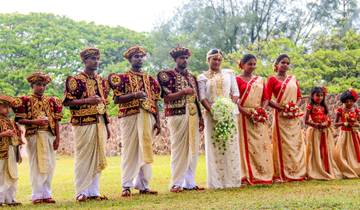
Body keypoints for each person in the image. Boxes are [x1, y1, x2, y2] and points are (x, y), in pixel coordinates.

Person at [108, 46, 159, 197]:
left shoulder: (150, 79)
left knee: (146, 149)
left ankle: (143, 185)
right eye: (136, 56)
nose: (139, 59)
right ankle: (126, 185)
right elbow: (117, 99)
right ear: (130, 59)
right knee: (130, 150)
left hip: (147, 116)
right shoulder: (122, 78)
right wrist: (134, 95)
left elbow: (155, 101)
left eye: (141, 56)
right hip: (130, 115)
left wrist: (158, 121)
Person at [63, 48, 110, 202]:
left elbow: (104, 105)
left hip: (100, 122)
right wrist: (87, 101)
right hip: (83, 123)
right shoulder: (75, 80)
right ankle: (81, 191)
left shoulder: (101, 81)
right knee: (83, 157)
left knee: (98, 156)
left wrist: (107, 126)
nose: (95, 61)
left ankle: (94, 191)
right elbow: (68, 102)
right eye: (92, 59)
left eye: (97, 58)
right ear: (84, 61)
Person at [157, 46, 204, 193]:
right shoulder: (166, 75)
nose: (184, 60)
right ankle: (176, 183)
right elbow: (166, 97)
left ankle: (189, 182)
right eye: (182, 58)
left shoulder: (192, 77)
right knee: (179, 149)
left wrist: (201, 118)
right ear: (175, 59)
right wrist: (183, 92)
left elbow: (196, 99)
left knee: (193, 148)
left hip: (193, 114)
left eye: (186, 58)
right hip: (176, 114)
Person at [13, 72, 62, 204]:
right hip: (34, 135)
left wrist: (58, 138)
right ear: (32, 86)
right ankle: (37, 195)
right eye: (38, 85)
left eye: (43, 85)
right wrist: (35, 122)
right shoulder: (25, 100)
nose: (41, 87)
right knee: (36, 165)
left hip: (49, 135)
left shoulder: (52, 101)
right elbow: (20, 120)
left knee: (50, 165)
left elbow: (56, 121)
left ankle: (47, 194)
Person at [198, 48, 241, 189]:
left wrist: (228, 107)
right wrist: (214, 111)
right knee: (215, 146)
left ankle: (232, 180)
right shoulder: (202, 77)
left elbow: (235, 93)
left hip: (230, 114)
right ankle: (217, 182)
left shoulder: (229, 73)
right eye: (214, 59)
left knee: (230, 145)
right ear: (208, 60)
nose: (216, 62)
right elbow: (202, 97)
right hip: (212, 116)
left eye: (219, 59)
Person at [266, 54, 306, 182]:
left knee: (295, 144)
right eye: (283, 62)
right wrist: (282, 108)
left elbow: (299, 97)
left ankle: (298, 171)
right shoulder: (272, 79)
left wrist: (294, 107)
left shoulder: (293, 79)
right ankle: (283, 173)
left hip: (293, 116)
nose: (285, 65)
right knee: (283, 144)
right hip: (281, 116)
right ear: (276, 64)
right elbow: (267, 99)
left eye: (288, 63)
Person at [236, 54, 273, 185]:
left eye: (254, 64)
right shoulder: (236, 80)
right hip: (244, 116)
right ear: (242, 64)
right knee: (246, 145)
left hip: (259, 116)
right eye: (249, 64)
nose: (252, 66)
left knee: (260, 145)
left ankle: (263, 172)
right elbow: (235, 100)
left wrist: (261, 111)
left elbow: (266, 98)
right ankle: (246, 174)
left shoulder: (260, 80)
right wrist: (247, 112)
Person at [304, 87, 341, 180]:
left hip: (324, 131)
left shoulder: (324, 106)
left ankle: (326, 168)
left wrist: (326, 123)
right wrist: (315, 125)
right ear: (312, 96)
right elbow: (306, 120)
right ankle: (316, 169)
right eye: (317, 95)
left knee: (325, 149)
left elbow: (327, 118)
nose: (319, 97)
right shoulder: (310, 106)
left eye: (321, 95)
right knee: (315, 149)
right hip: (315, 131)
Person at [0, 95, 22, 206]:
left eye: (8, 107)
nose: (7, 109)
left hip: (11, 151)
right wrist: (3, 134)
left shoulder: (11, 121)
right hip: (1, 153)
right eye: (4, 106)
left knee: (12, 174)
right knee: (1, 175)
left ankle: (10, 199)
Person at [333, 89, 360, 178]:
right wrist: (344, 123)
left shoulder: (356, 110)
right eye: (347, 101)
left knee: (355, 153)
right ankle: (346, 169)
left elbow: (359, 122)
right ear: (343, 101)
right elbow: (335, 124)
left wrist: (355, 123)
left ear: (354, 101)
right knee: (342, 153)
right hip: (344, 134)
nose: (349, 103)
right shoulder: (340, 110)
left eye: (351, 101)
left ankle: (356, 169)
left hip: (354, 134)